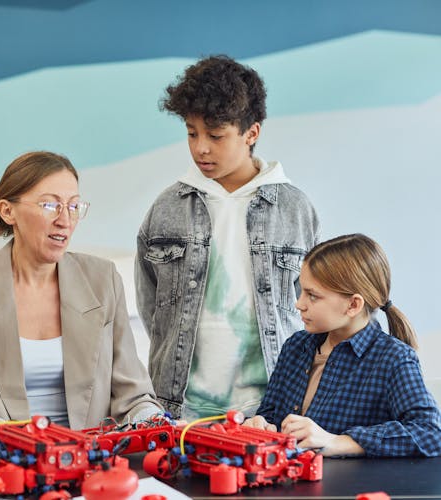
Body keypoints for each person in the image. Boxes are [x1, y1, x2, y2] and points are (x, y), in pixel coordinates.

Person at [135, 55, 320, 421]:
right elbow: (150, 308)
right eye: (191, 133)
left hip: (273, 408)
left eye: (216, 135)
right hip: (178, 408)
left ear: (252, 132)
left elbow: (312, 309)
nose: (201, 147)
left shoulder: (296, 208)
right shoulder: (166, 207)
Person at [0, 151, 163, 437]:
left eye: (74, 206)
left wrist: (158, 423)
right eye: (49, 205)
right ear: (8, 211)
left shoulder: (102, 279)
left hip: (89, 457)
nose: (65, 220)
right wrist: (21, 444)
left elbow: (133, 396)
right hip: (7, 455)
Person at [244, 234, 441, 457]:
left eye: (312, 296)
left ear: (353, 304)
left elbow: (430, 433)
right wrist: (261, 424)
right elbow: (270, 413)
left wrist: (337, 441)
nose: (299, 304)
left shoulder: (394, 359)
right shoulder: (295, 346)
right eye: (302, 291)